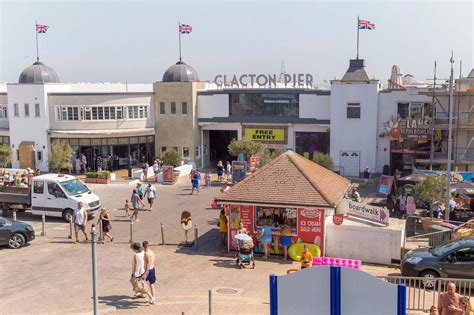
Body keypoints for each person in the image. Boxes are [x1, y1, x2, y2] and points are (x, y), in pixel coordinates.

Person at [142, 241, 156, 305]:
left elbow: (148, 263)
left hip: (148, 270)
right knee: (151, 285)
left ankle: (150, 298)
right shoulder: (152, 252)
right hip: (153, 269)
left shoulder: (147, 253)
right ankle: (153, 298)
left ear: (143, 246)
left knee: (145, 285)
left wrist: (145, 272)